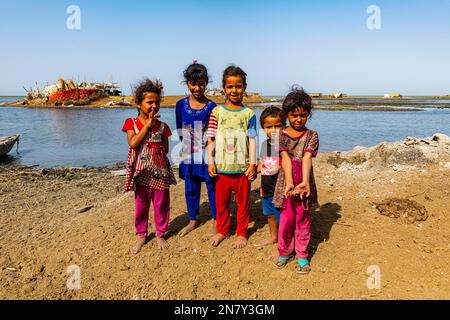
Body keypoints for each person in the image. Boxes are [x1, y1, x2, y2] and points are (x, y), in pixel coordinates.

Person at [122, 78, 177, 254]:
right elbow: (133, 143)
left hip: (160, 171)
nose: (154, 105)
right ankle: (142, 234)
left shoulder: (163, 126)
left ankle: (160, 233)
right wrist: (146, 126)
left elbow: (166, 148)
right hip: (141, 172)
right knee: (142, 204)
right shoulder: (132, 123)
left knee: (161, 203)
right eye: (149, 102)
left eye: (157, 102)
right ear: (138, 103)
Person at [206, 65, 257, 249]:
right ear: (223, 88)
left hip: (242, 169)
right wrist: (210, 162)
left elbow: (252, 140)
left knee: (243, 203)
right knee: (222, 203)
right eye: (230, 86)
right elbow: (210, 138)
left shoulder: (249, 114)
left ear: (244, 87)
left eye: (238, 86)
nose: (234, 90)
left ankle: (242, 232)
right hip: (222, 168)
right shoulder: (216, 112)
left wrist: (252, 164)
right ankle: (222, 230)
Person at [272, 87, 319, 274]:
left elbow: (306, 158)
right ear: (286, 115)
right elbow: (285, 159)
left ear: (308, 115)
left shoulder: (312, 135)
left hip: (305, 180)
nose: (298, 119)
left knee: (303, 218)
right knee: (286, 219)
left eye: (303, 115)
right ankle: (284, 251)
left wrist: (305, 182)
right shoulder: (279, 136)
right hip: (287, 182)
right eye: (294, 115)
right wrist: (290, 183)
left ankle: (302, 255)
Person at [175, 62, 218, 237]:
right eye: (193, 84)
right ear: (187, 84)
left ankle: (217, 220)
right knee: (191, 187)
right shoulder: (180, 105)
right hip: (188, 151)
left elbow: (214, 133)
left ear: (207, 82)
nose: (197, 88)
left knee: (212, 186)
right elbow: (179, 127)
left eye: (201, 84)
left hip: (207, 152)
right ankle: (193, 219)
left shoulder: (212, 106)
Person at [257, 106, 286, 246]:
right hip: (266, 188)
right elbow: (262, 162)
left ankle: (284, 240)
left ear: (284, 127)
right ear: (263, 128)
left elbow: (289, 165)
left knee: (282, 217)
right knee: (269, 215)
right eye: (269, 126)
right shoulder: (264, 144)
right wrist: (253, 170)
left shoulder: (285, 146)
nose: (273, 130)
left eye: (277, 126)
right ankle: (273, 237)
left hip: (280, 189)